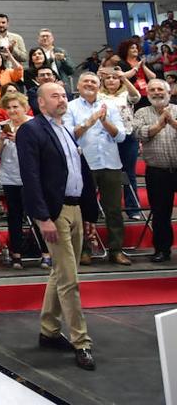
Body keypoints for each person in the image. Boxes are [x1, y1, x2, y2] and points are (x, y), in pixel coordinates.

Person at [18, 81, 99, 371]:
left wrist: (89, 213)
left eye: (64, 95)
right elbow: (30, 176)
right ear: (41, 102)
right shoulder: (31, 130)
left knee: (60, 273)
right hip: (55, 211)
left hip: (75, 208)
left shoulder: (65, 129)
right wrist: (42, 218)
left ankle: (49, 330)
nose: (63, 99)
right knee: (69, 279)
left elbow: (81, 171)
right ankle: (82, 342)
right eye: (55, 95)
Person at [67, 73, 131, 266]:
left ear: (99, 85)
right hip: (84, 165)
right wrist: (90, 121)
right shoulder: (71, 107)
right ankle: (83, 250)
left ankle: (116, 250)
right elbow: (70, 136)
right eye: (85, 81)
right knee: (84, 210)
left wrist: (104, 122)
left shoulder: (110, 106)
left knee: (114, 210)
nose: (89, 84)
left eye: (93, 82)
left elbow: (120, 136)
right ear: (78, 85)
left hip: (110, 163)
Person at [135, 79, 177, 262]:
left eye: (160, 89)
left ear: (169, 92)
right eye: (152, 90)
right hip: (157, 172)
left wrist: (172, 122)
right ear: (148, 93)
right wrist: (159, 125)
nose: (157, 92)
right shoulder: (141, 112)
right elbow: (138, 133)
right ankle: (162, 250)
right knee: (160, 213)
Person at [0, 90, 32, 269]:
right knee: (14, 216)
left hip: (32, 176)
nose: (12, 111)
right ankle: (17, 255)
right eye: (9, 108)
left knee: (38, 215)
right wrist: (0, 140)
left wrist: (19, 140)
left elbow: (41, 151)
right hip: (10, 176)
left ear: (25, 108)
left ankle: (46, 253)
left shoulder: (34, 124)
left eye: (16, 107)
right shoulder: (1, 126)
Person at [98, 68, 144, 219]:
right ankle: (107, 209)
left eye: (115, 78)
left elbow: (136, 97)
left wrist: (124, 78)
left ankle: (133, 209)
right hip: (105, 138)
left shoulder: (126, 94)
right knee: (106, 174)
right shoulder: (98, 96)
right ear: (103, 81)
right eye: (108, 78)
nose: (111, 80)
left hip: (127, 137)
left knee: (128, 173)